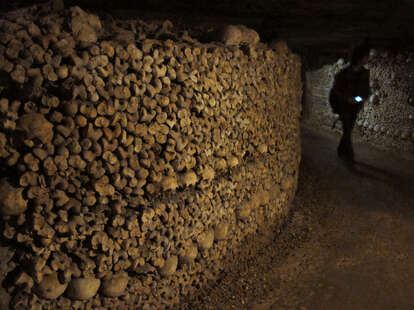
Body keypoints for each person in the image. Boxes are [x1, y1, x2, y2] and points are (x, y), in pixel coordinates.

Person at [329, 42, 371, 162]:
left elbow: (365, 92)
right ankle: (349, 155)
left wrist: (357, 99)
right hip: (343, 106)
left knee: (348, 129)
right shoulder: (343, 74)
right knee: (347, 129)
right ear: (360, 57)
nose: (368, 59)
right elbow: (336, 90)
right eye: (366, 56)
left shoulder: (364, 74)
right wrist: (346, 99)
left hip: (355, 107)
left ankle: (341, 150)